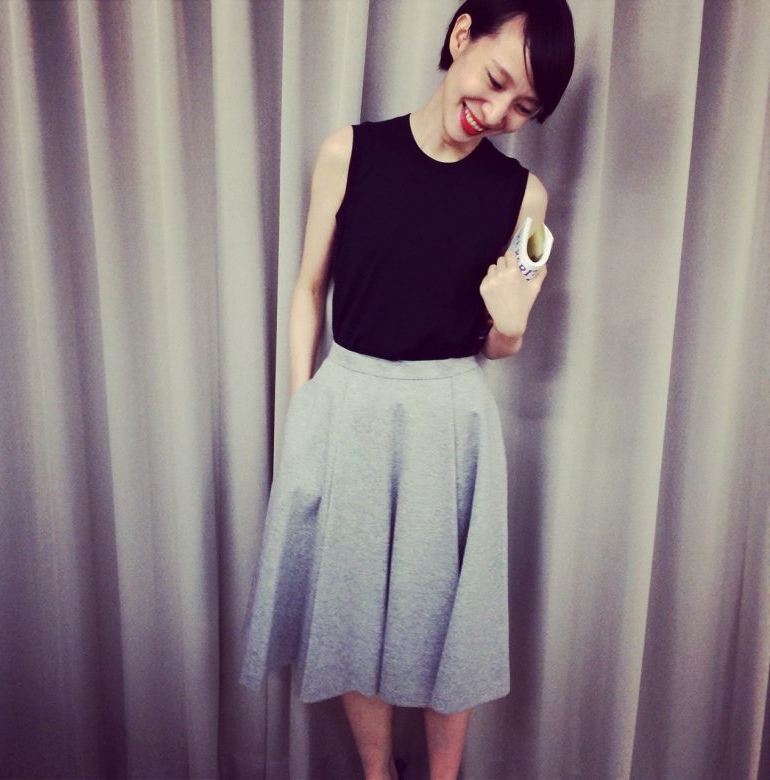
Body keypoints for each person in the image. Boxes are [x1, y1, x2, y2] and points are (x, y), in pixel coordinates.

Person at [239, 1, 575, 778]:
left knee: (450, 621)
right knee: (353, 612)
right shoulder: (348, 153)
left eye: (522, 106)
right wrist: (304, 408)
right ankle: (377, 774)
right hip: (351, 404)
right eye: (496, 80)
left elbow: (501, 342)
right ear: (462, 36)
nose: (496, 112)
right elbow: (307, 291)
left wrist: (513, 326)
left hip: (450, 417)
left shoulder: (526, 200)